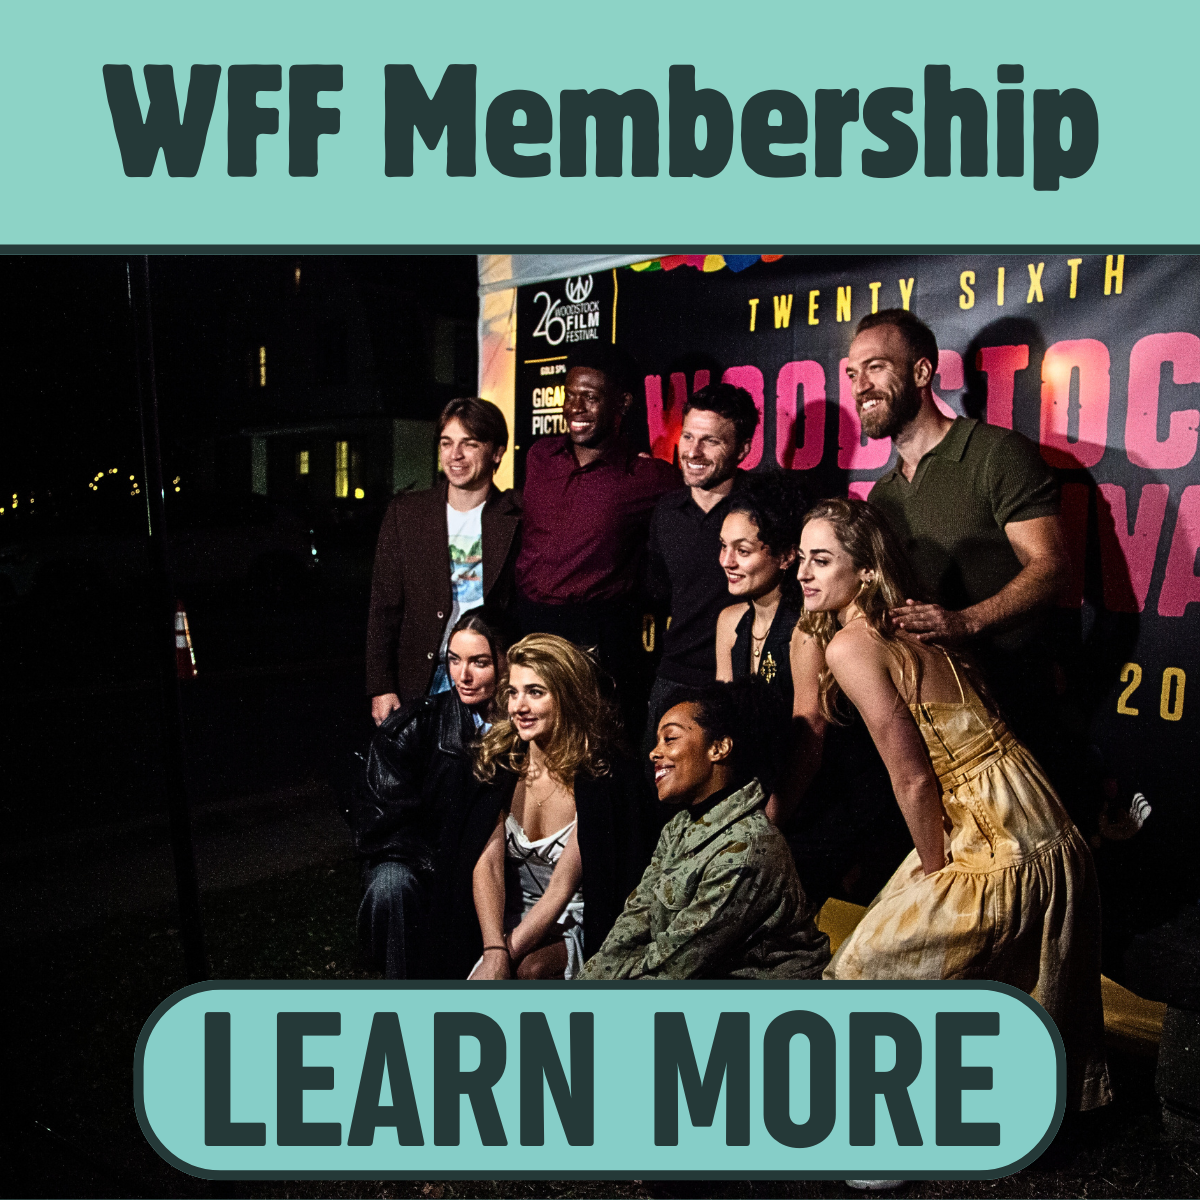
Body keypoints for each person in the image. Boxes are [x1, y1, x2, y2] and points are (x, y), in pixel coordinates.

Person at [798, 497, 1110, 1113]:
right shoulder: (912, 620)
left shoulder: (851, 647)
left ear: (864, 570)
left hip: (999, 840)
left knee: (862, 969)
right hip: (1042, 821)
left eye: (822, 559)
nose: (804, 573)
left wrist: (936, 874)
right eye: (802, 559)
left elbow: (913, 779)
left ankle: (887, 1141)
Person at [846, 309, 1078, 814]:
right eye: (851, 373)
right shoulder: (881, 496)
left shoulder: (996, 454)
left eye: (876, 367)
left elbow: (1051, 566)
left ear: (922, 373)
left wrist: (965, 622)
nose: (860, 385)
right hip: (940, 717)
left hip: (1016, 705)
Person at [578, 677, 830, 980]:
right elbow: (634, 922)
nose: (654, 753)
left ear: (719, 747)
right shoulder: (679, 827)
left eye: (670, 739)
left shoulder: (747, 850)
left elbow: (674, 967)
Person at [464, 633, 654, 980]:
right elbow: (486, 863)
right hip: (504, 913)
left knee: (529, 970)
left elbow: (560, 891)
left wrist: (504, 956)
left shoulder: (599, 776)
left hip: (575, 917)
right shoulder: (502, 763)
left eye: (535, 692)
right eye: (513, 692)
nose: (519, 706)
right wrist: (492, 950)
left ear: (567, 696)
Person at [515, 344, 679, 731]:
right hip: (530, 624)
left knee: (593, 748)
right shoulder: (539, 456)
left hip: (596, 636)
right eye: (570, 395)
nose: (575, 408)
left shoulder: (648, 478)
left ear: (622, 403)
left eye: (590, 397)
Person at [352, 612, 505, 980]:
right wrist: (446, 867)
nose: (463, 676)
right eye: (454, 660)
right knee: (390, 884)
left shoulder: (526, 726)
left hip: (497, 870)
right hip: (425, 867)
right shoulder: (413, 727)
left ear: (506, 660)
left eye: (479, 662)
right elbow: (382, 829)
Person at [366, 396, 522, 719]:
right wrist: (382, 685)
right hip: (425, 675)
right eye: (446, 443)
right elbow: (383, 607)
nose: (455, 455)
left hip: (493, 681)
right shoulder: (407, 513)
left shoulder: (517, 515)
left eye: (470, 444)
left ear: (497, 452)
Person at [642, 381, 759, 752]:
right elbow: (656, 597)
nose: (692, 451)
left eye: (710, 441)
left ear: (742, 449)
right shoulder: (666, 512)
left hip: (744, 678)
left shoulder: (762, 507)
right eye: (688, 436)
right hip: (675, 675)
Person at [713, 473, 806, 788]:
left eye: (743, 550)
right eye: (724, 546)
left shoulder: (806, 628)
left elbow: (809, 742)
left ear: (786, 556)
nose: (727, 561)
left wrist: (770, 824)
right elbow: (723, 721)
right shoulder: (729, 621)